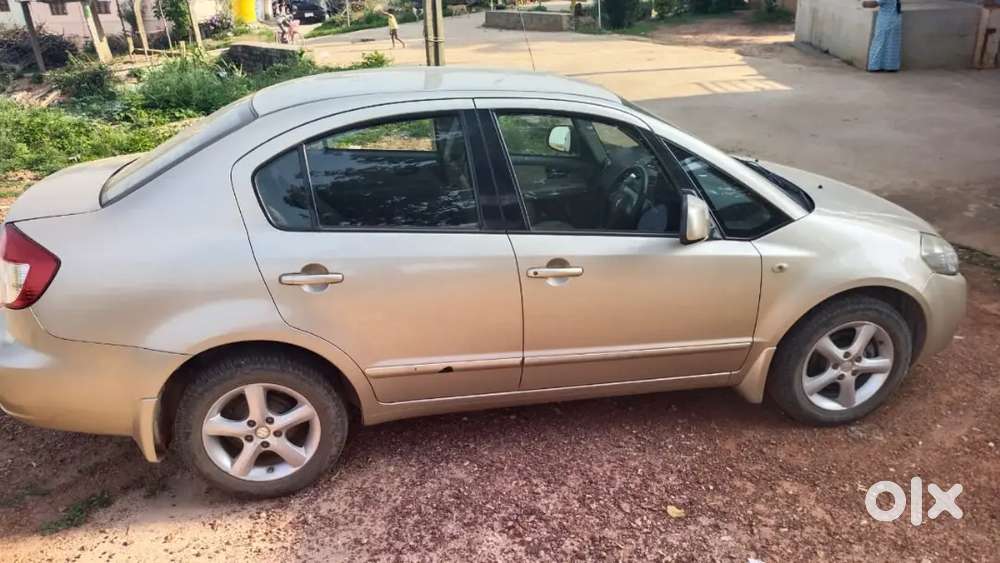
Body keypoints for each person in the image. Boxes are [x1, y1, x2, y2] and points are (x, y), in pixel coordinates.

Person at [862, 0, 902, 72]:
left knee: (879, 43)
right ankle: (891, 67)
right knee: (892, 45)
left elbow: (874, 4)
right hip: (896, 20)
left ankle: (874, 66)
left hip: (886, 22)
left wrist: (863, 3)